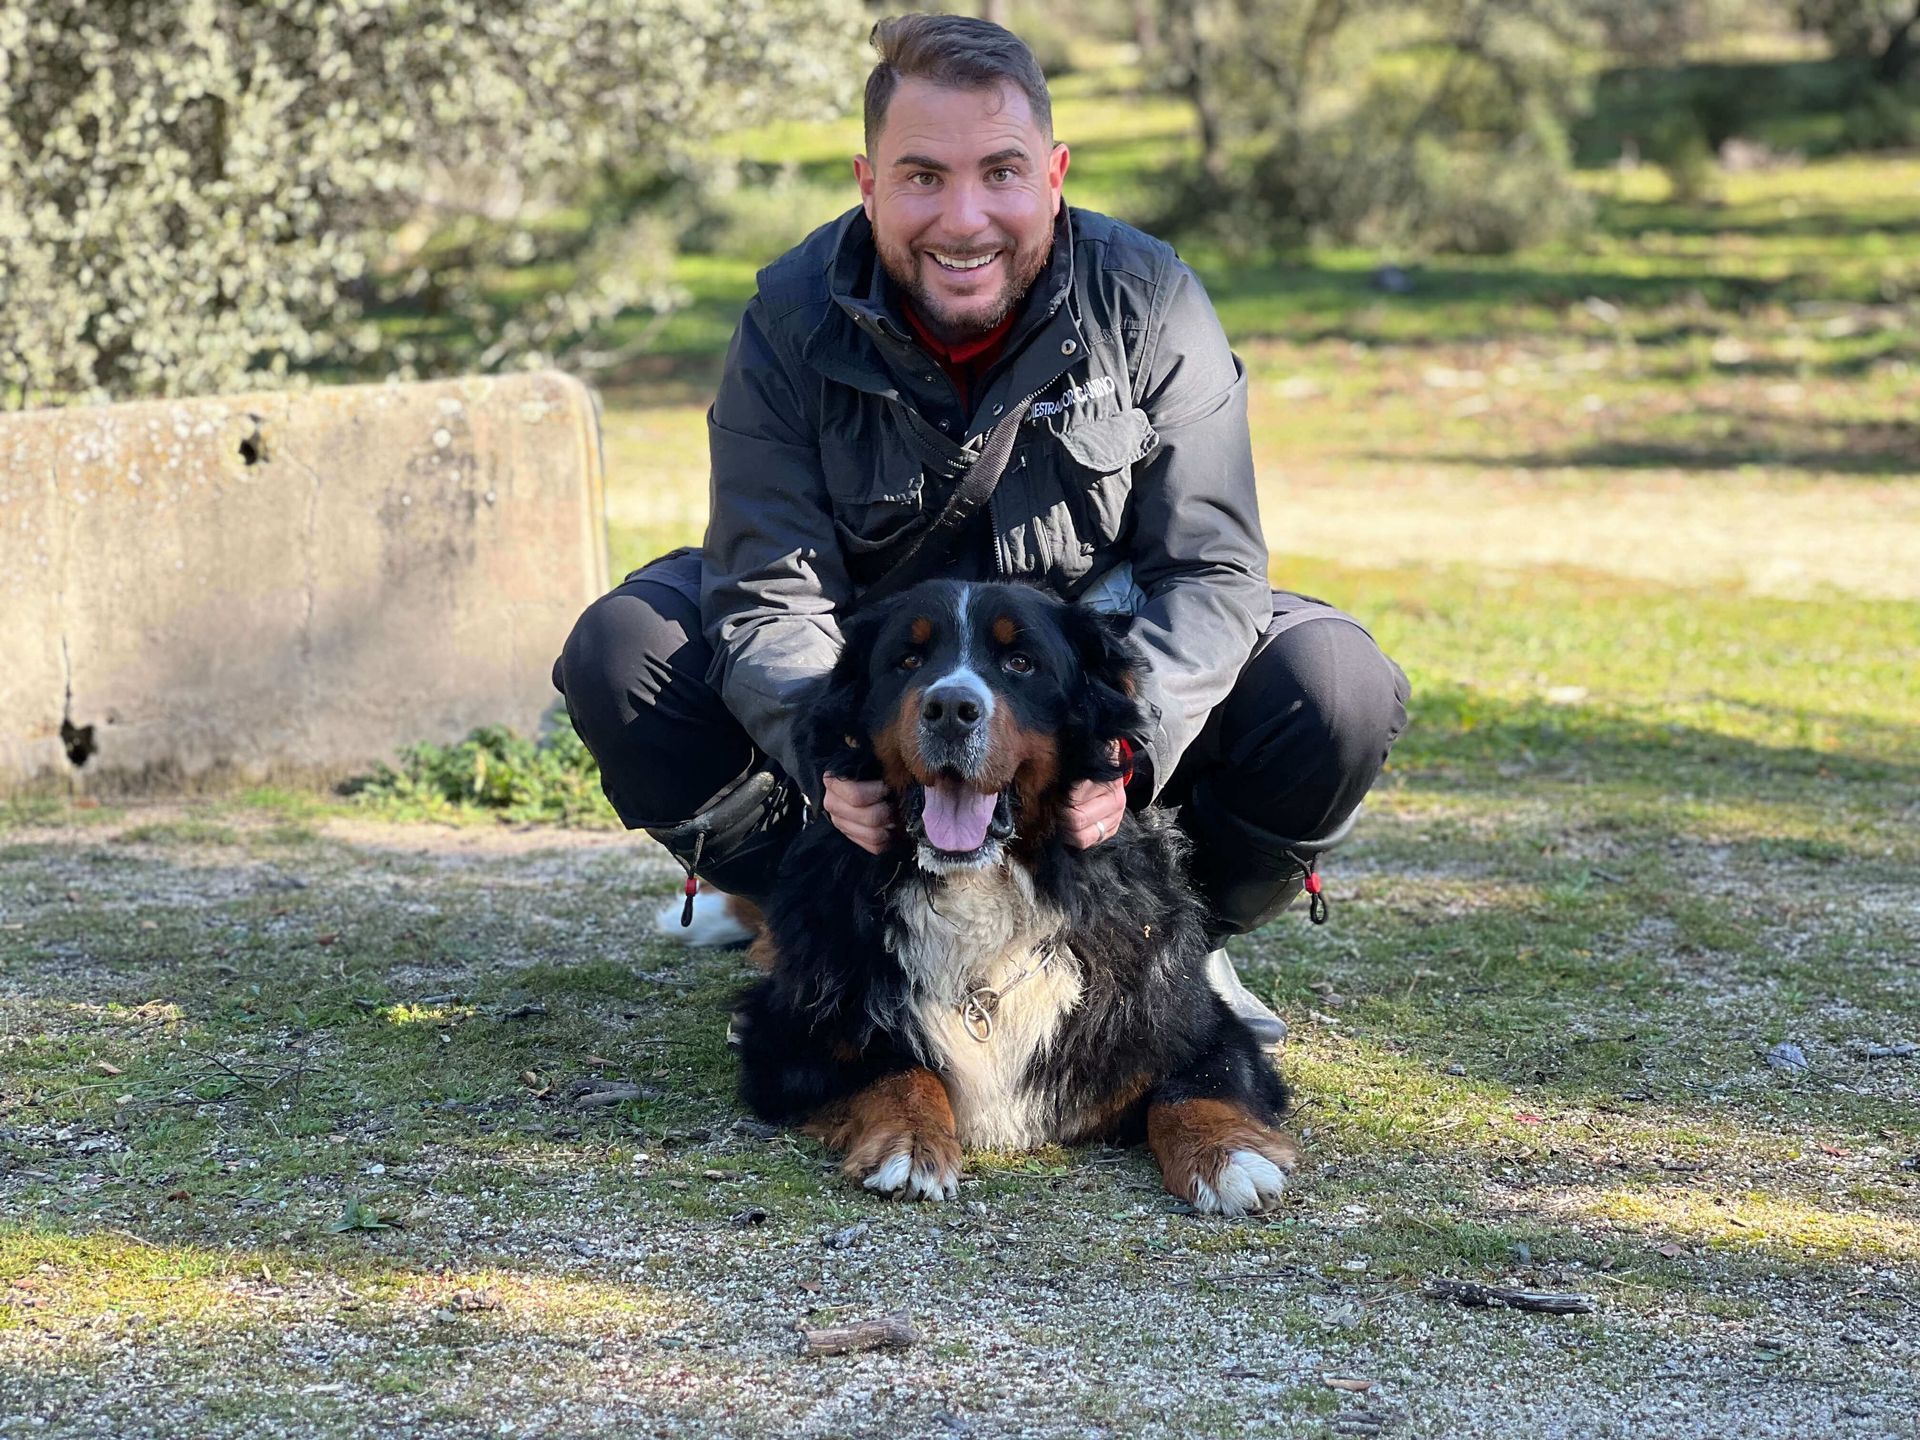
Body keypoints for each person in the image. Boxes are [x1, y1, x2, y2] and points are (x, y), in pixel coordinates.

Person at [552, 13, 1409, 1046]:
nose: (964, 219)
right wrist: (837, 764)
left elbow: (1212, 570)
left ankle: (1173, 940)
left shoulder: (1153, 298)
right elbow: (769, 590)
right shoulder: (785, 317)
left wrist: (1128, 749)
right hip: (881, 712)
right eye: (923, 177)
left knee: (1338, 691)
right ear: (869, 184)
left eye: (1000, 172)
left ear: (1053, 174)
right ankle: (824, 933)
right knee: (624, 654)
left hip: (1072, 713)